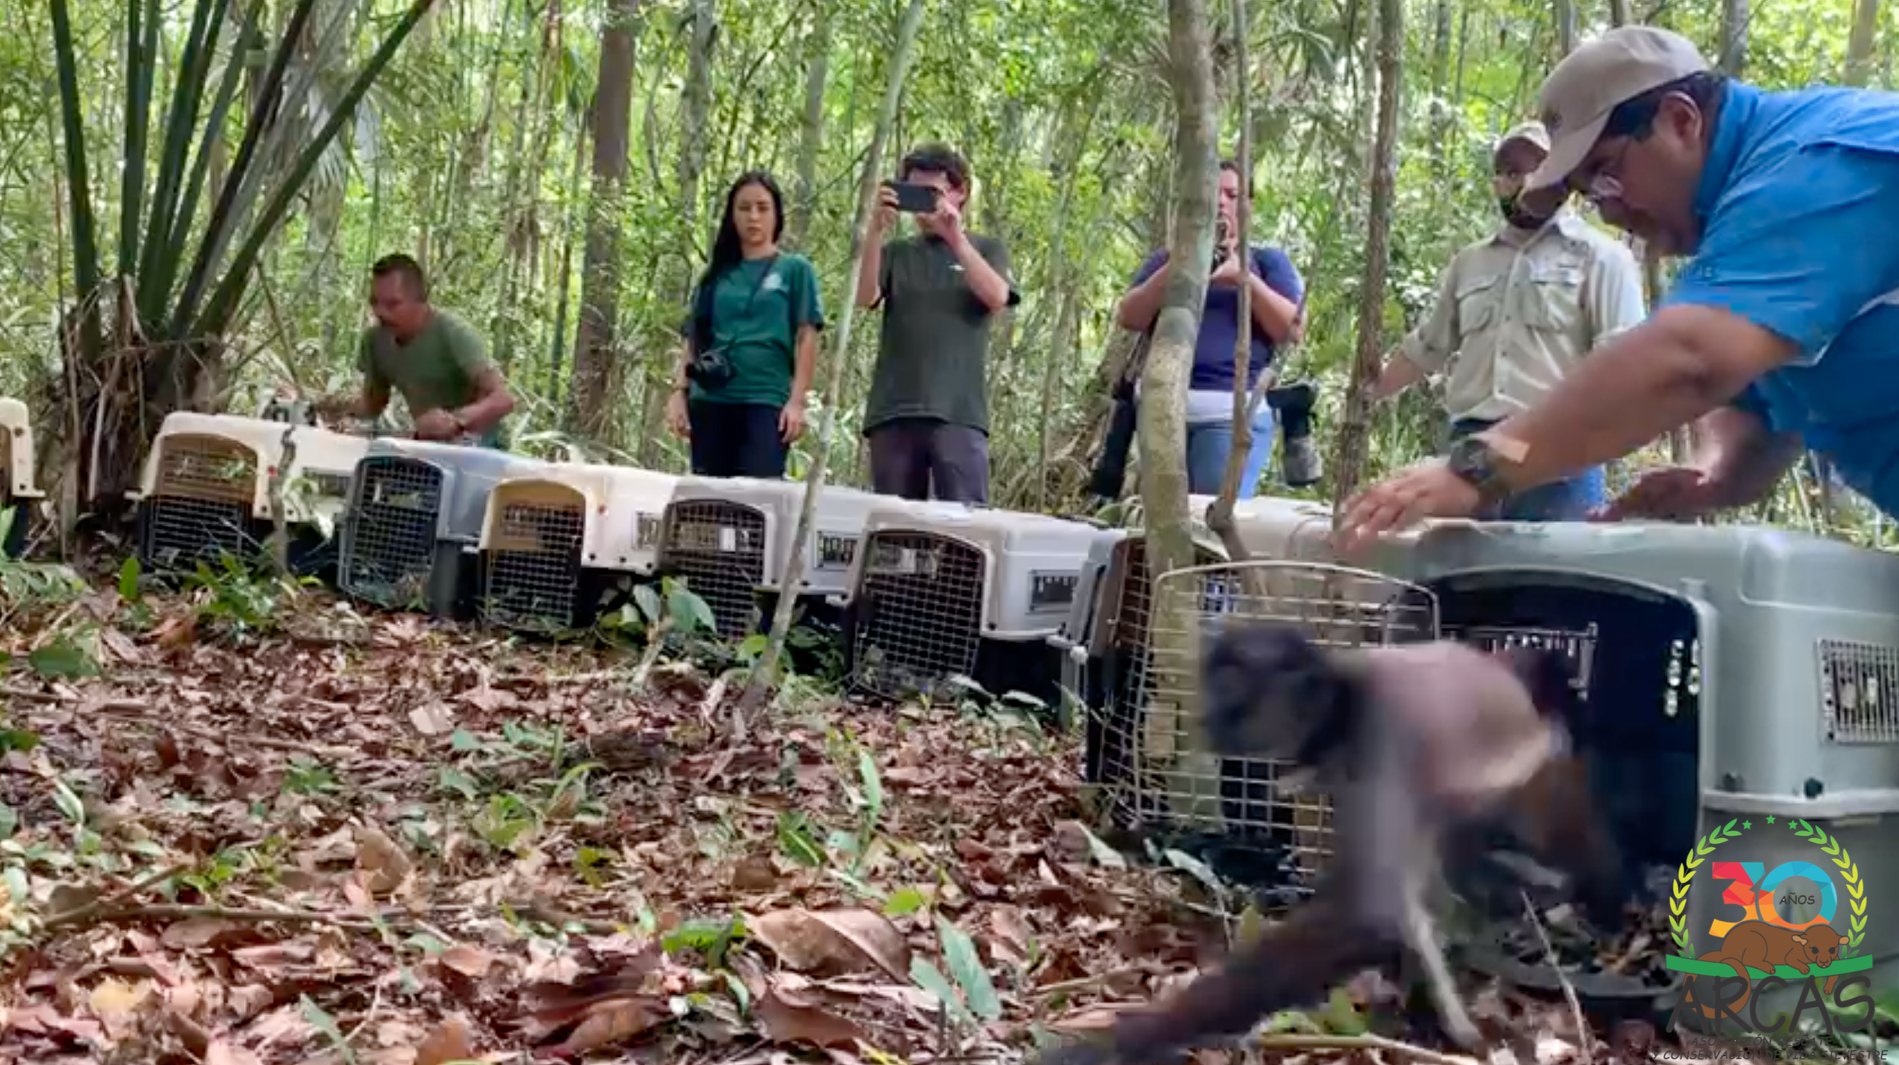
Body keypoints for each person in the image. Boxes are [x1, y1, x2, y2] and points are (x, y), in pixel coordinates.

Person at [1338, 26, 1899, 551]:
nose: (1609, 211)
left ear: (1680, 121)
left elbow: (1689, 361)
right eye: (1589, 194)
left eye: (1607, 173)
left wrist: (1480, 466)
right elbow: (1759, 401)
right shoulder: (1748, 242)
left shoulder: (1813, 164)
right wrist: (1717, 477)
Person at [1368, 121, 1646, 520]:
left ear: (1565, 178)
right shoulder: (1470, 263)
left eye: (1539, 168)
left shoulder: (1602, 258)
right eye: (1511, 171)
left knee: (1551, 575)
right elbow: (1429, 347)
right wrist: (1368, 392)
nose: (1526, 180)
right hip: (1471, 451)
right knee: (1461, 576)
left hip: (1557, 450)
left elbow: (1621, 364)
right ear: (1497, 182)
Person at [1115, 160, 1307, 497]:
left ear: (1247, 206)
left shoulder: (1266, 261)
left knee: (1209, 522)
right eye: (1212, 193)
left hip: (1230, 415)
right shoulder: (1166, 260)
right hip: (1164, 413)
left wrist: (1244, 279)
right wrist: (1181, 265)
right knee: (1159, 521)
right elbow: (1129, 316)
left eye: (1232, 195)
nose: (1221, 202)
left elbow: (1292, 330)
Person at [856, 143, 1019, 504]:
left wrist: (955, 237)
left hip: (959, 412)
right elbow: (866, 297)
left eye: (932, 193)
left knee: (966, 529)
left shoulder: (986, 249)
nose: (923, 206)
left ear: (959, 192)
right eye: (913, 193)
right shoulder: (897, 253)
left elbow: (997, 297)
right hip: (894, 410)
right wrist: (875, 231)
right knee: (894, 531)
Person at [665, 170, 825, 478]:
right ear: (732, 215)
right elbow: (694, 338)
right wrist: (678, 393)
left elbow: (807, 335)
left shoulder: (794, 269)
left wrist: (797, 402)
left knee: (760, 502)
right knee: (708, 501)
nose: (754, 217)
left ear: (777, 215)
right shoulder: (715, 276)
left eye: (763, 208)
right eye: (744, 208)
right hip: (711, 398)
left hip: (765, 398)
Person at [321, 254, 515, 445]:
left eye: (392, 304)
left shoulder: (453, 333)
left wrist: (456, 420)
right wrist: (331, 408)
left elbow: (503, 400)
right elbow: (373, 403)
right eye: (375, 302)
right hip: (428, 445)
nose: (380, 312)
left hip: (480, 446)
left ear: (420, 301)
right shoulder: (375, 340)